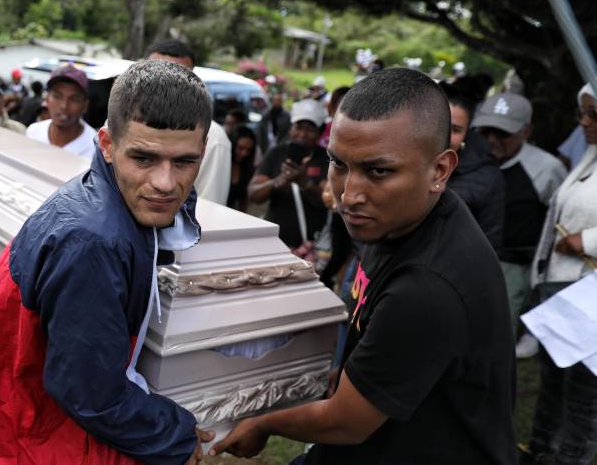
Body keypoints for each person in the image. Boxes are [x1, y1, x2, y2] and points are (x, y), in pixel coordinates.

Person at [211, 67, 516, 465]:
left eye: (379, 171)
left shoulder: (428, 287)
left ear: (440, 171)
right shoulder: (396, 221)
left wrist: (262, 422)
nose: (349, 195)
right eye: (339, 164)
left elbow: (346, 422)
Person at [0, 58, 214, 464]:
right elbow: (89, 392)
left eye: (184, 162)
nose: (165, 183)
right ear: (106, 145)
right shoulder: (92, 242)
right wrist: (176, 435)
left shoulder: (117, 200)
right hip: (4, 441)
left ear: (202, 150)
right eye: (144, 158)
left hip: (3, 421)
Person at [525, 82, 597, 465]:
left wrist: (586, 240)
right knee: (553, 381)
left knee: (584, 389)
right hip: (563, 289)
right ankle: (541, 450)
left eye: (593, 114)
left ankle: (571, 457)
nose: (584, 122)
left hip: (590, 299)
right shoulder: (590, 156)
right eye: (581, 113)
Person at [472, 92, 567, 337]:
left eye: (502, 134)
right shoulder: (465, 158)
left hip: (512, 268)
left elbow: (559, 221)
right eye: (484, 131)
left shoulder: (547, 168)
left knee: (496, 334)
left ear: (525, 132)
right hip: (465, 258)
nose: (491, 140)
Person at [147, 39, 231, 205]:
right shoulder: (119, 123)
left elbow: (210, 208)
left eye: (177, 77)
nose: (164, 86)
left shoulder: (213, 138)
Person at [248, 99, 329, 249]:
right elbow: (253, 194)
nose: (303, 134)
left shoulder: (326, 159)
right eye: (298, 127)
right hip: (274, 242)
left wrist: (304, 183)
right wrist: (276, 182)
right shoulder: (276, 153)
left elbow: (328, 201)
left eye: (310, 129)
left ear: (319, 132)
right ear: (291, 128)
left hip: (310, 246)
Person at [441, 82, 505, 251]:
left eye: (455, 129)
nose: (445, 135)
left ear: (466, 134)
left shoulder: (489, 177)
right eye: (440, 124)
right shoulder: (403, 161)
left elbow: (490, 243)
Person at [26, 65, 96, 158]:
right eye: (57, 96)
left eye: (74, 99)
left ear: (85, 105)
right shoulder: (33, 133)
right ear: (47, 99)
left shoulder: (96, 147)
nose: (64, 106)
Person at [228, 126, 257, 212]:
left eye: (248, 150)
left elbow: (243, 202)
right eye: (240, 148)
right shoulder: (220, 163)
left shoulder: (247, 169)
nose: (244, 153)